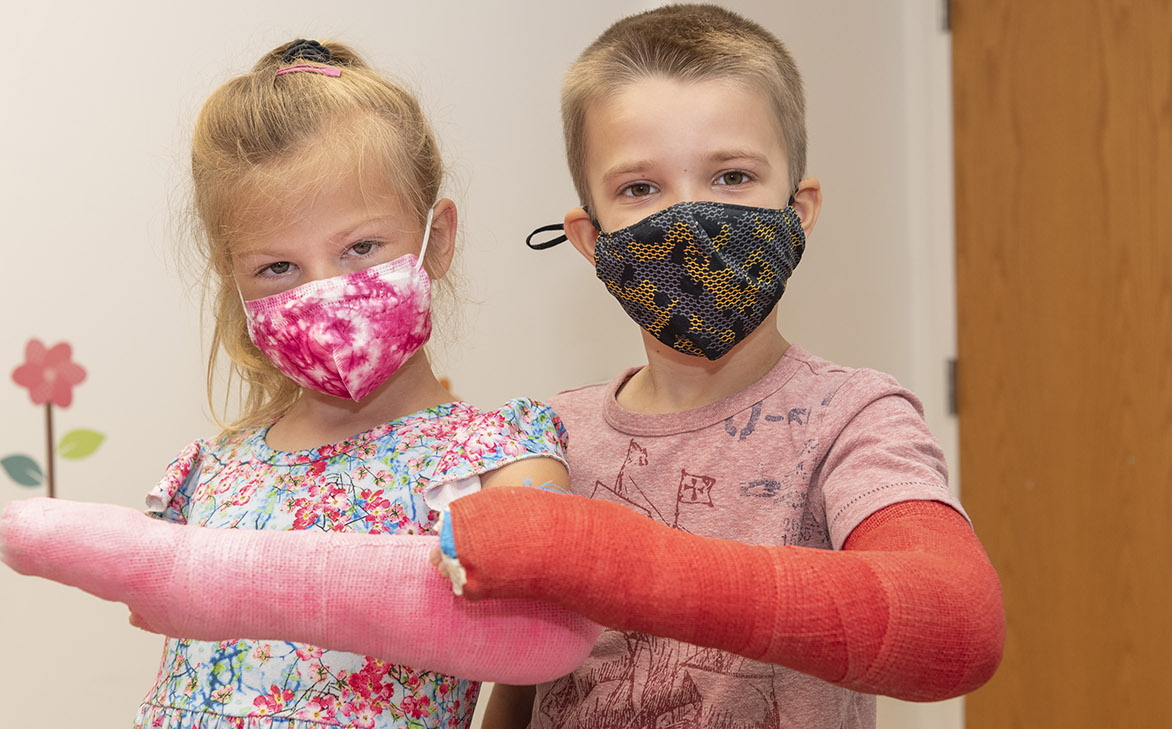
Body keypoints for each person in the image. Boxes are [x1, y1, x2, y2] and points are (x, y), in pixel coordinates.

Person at [0, 37, 600, 729]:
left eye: (360, 248)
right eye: (277, 267)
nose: (326, 292)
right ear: (235, 280)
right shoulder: (215, 469)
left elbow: (543, 640)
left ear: (438, 238)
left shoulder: (499, 459)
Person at [428, 5, 1005, 728]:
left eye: (732, 176)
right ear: (589, 239)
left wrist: (615, 561)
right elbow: (522, 679)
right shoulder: (550, 438)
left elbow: (955, 625)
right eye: (640, 188)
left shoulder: (853, 420)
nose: (691, 220)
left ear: (799, 212)